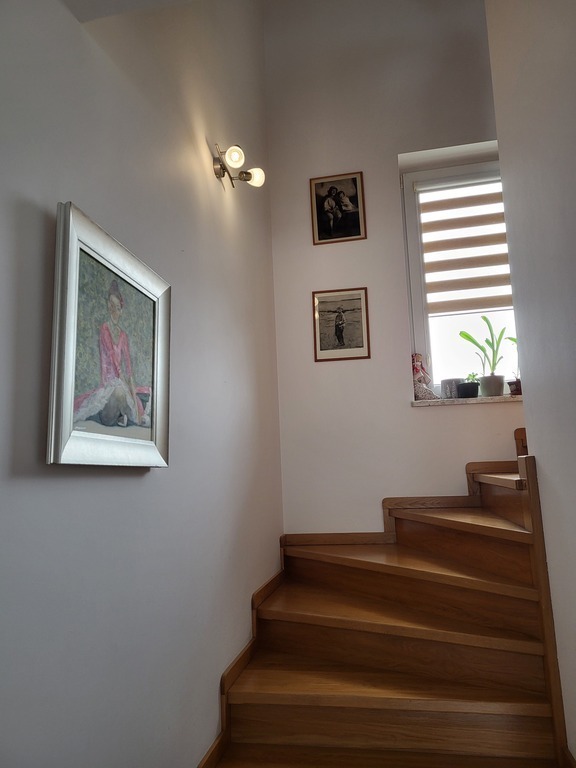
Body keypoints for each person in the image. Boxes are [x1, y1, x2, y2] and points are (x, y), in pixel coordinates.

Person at [74, 279, 150, 428]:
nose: (114, 311)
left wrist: (134, 399)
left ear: (121, 310)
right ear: (108, 307)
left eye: (117, 308)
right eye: (111, 306)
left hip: (121, 385)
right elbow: (116, 365)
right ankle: (121, 416)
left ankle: (126, 415)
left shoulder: (123, 336)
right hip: (108, 386)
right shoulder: (104, 329)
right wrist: (126, 389)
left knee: (128, 396)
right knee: (118, 392)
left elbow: (128, 370)